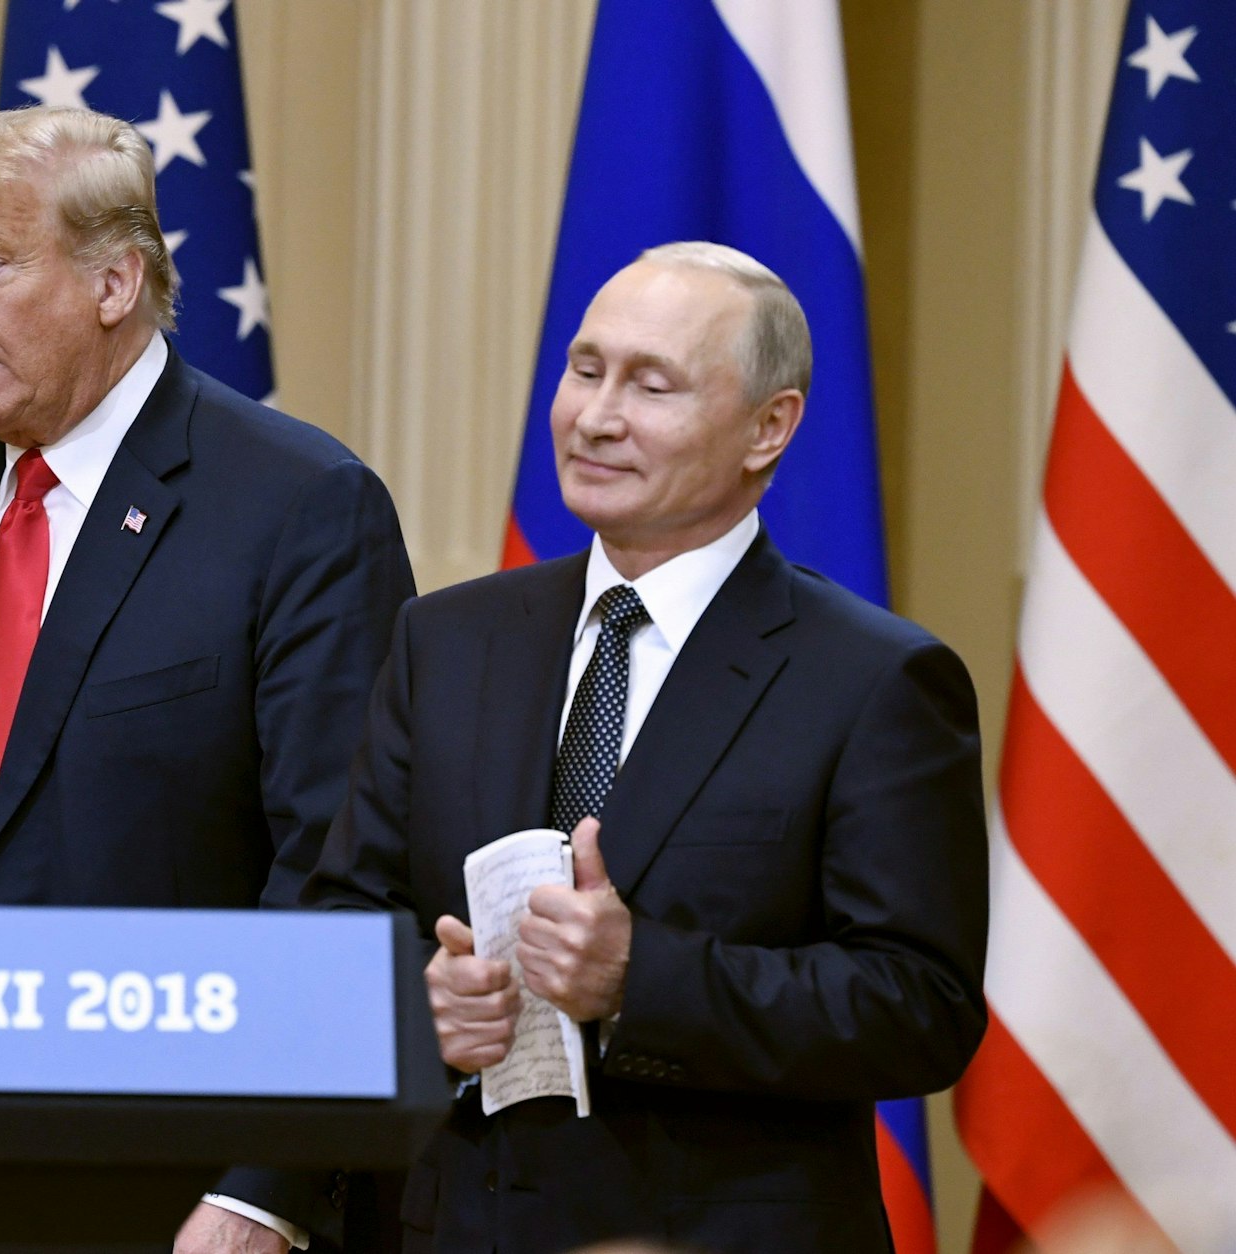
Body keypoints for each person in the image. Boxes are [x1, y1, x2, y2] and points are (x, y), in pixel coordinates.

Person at [293, 242, 989, 1253]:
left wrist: (640, 980)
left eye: (650, 385)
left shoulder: (873, 680)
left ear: (767, 427)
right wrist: (418, 1005)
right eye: (584, 370)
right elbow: (343, 921)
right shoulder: (443, 640)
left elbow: (917, 1008)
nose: (596, 416)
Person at [0, 106, 415, 1252]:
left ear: (113, 282)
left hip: (180, 1186)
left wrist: (264, 1188)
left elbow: (343, 878)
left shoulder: (294, 507)